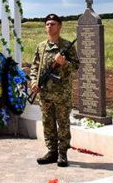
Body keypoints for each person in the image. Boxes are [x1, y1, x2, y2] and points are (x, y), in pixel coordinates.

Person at [30, 13, 79, 167]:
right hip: (45, 93)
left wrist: (64, 63)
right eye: (47, 24)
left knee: (63, 123)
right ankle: (52, 151)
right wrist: (34, 82)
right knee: (48, 123)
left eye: (53, 23)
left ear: (59, 26)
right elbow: (35, 66)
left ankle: (63, 153)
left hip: (62, 94)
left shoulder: (66, 46)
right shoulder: (41, 46)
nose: (49, 26)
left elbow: (76, 66)